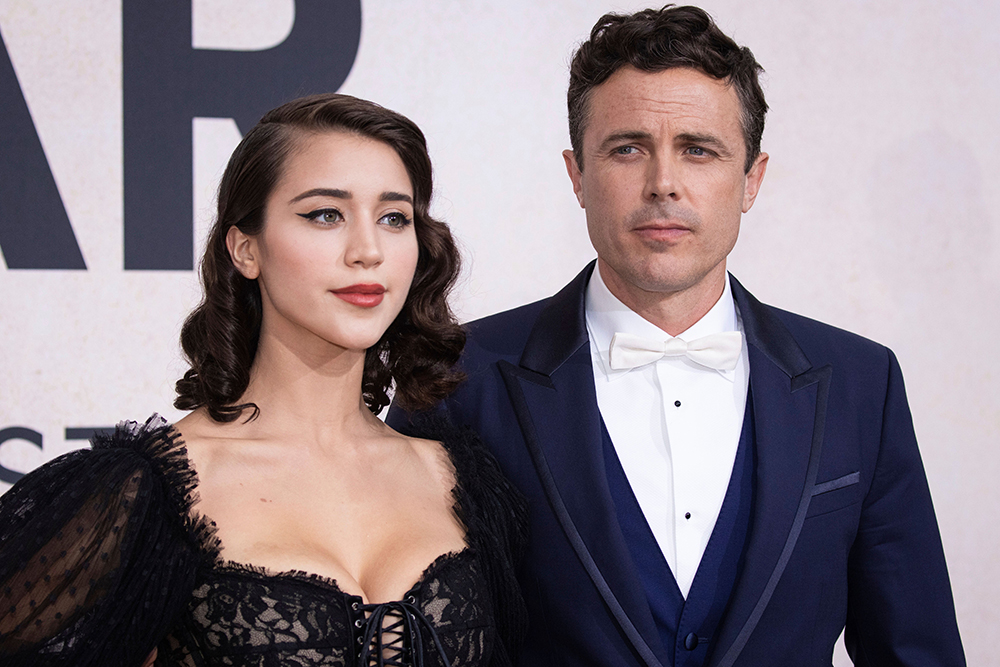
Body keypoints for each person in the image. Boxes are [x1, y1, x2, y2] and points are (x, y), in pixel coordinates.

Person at [388, 6, 965, 666]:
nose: (663, 184)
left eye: (698, 150)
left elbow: (916, 652)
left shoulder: (862, 383)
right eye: (627, 149)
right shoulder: (456, 378)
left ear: (751, 179)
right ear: (578, 176)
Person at [0, 94, 526, 666]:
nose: (368, 250)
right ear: (245, 249)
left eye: (393, 218)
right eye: (325, 214)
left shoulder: (463, 478)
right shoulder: (149, 493)